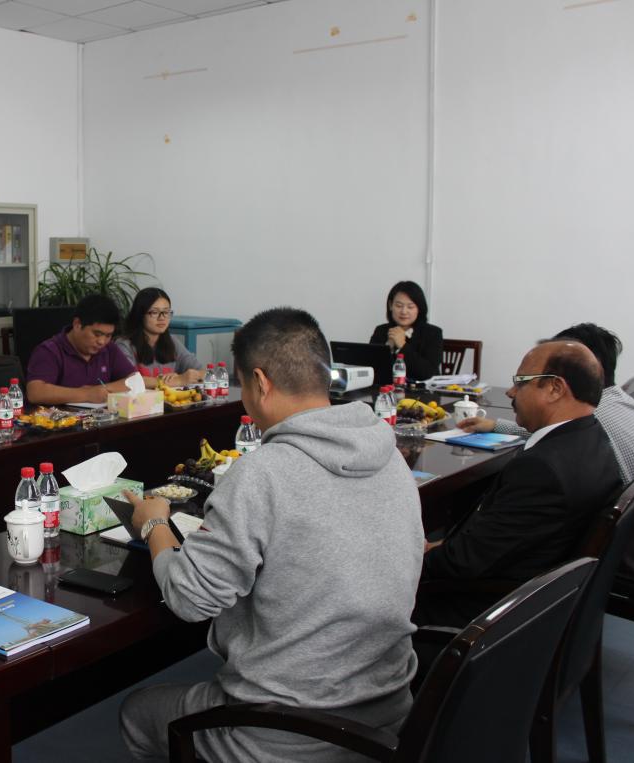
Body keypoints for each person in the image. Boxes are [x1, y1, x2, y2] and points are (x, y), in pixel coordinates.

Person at [119, 307, 425, 762]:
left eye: (242, 386)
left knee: (137, 711)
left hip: (287, 730)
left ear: (260, 383)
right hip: (390, 713)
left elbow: (188, 598)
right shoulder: (390, 454)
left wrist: (154, 522)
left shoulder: (262, 473)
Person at [417, 341, 623, 627]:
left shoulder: (542, 470)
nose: (511, 392)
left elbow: (463, 563)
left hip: (489, 614)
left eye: (521, 382)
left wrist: (412, 559)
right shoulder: (592, 437)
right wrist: (443, 546)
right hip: (536, 592)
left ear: (555, 388)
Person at [458, 323, 634, 579]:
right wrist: (496, 425)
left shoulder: (592, 419)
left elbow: (556, 439)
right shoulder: (618, 401)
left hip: (632, 543)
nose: (512, 391)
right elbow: (554, 433)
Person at [25, 294, 139, 405]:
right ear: (77, 324)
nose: (102, 341)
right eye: (97, 334)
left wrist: (102, 389)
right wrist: (87, 394)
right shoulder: (49, 351)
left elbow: (135, 380)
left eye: (108, 335)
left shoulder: (109, 349)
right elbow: (35, 392)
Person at [115, 287, 204, 387]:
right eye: (154, 312)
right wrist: (176, 380)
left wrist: (184, 377)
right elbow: (128, 380)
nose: (162, 318)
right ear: (140, 315)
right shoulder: (124, 345)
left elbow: (203, 372)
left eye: (166, 312)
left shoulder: (172, 341)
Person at [369, 281, 443, 381]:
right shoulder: (381, 331)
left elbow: (427, 372)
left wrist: (402, 345)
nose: (404, 311)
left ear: (419, 308)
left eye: (410, 307)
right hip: (386, 388)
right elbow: (370, 368)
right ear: (390, 305)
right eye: (399, 306)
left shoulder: (433, 333)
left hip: (422, 389)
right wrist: (388, 348)